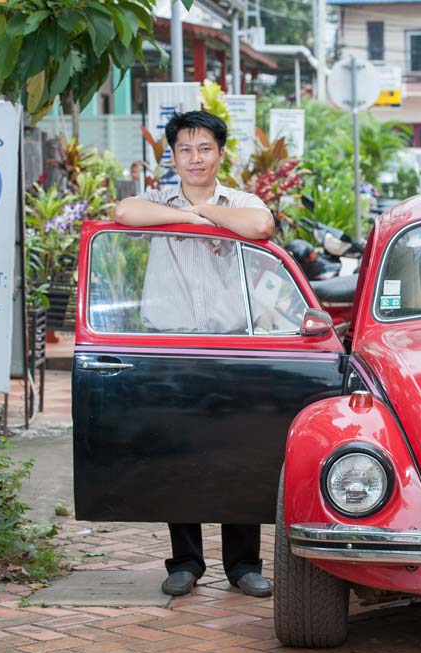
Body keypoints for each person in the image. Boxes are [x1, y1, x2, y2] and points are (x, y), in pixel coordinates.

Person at [113, 110, 275, 598]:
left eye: (204, 148)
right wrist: (187, 214)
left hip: (232, 346)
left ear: (221, 154)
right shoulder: (157, 200)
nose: (195, 157)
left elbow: (261, 225)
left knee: (236, 454)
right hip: (170, 346)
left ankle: (244, 565)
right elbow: (123, 214)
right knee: (176, 454)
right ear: (173, 156)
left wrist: (205, 215)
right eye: (185, 149)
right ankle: (185, 562)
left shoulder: (240, 201)